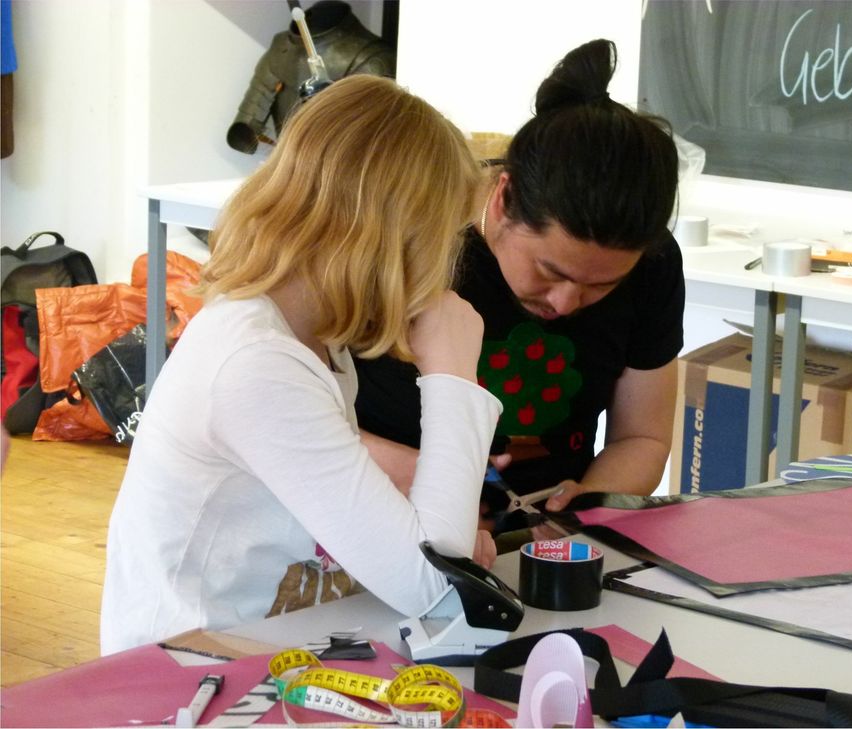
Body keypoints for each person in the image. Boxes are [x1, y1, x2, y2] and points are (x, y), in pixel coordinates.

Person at [100, 75, 502, 654]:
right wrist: (452, 374)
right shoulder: (257, 363)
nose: (446, 264)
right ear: (395, 238)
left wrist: (438, 523)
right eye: (444, 238)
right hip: (184, 672)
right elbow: (437, 587)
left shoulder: (306, 333)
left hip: (267, 638)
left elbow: (422, 556)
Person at [354, 39, 683, 522]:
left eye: (602, 286)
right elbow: (281, 415)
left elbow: (643, 438)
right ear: (504, 199)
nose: (567, 303)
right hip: (372, 518)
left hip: (536, 539)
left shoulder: (652, 265)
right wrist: (428, 478)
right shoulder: (411, 230)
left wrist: (586, 505)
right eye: (551, 272)